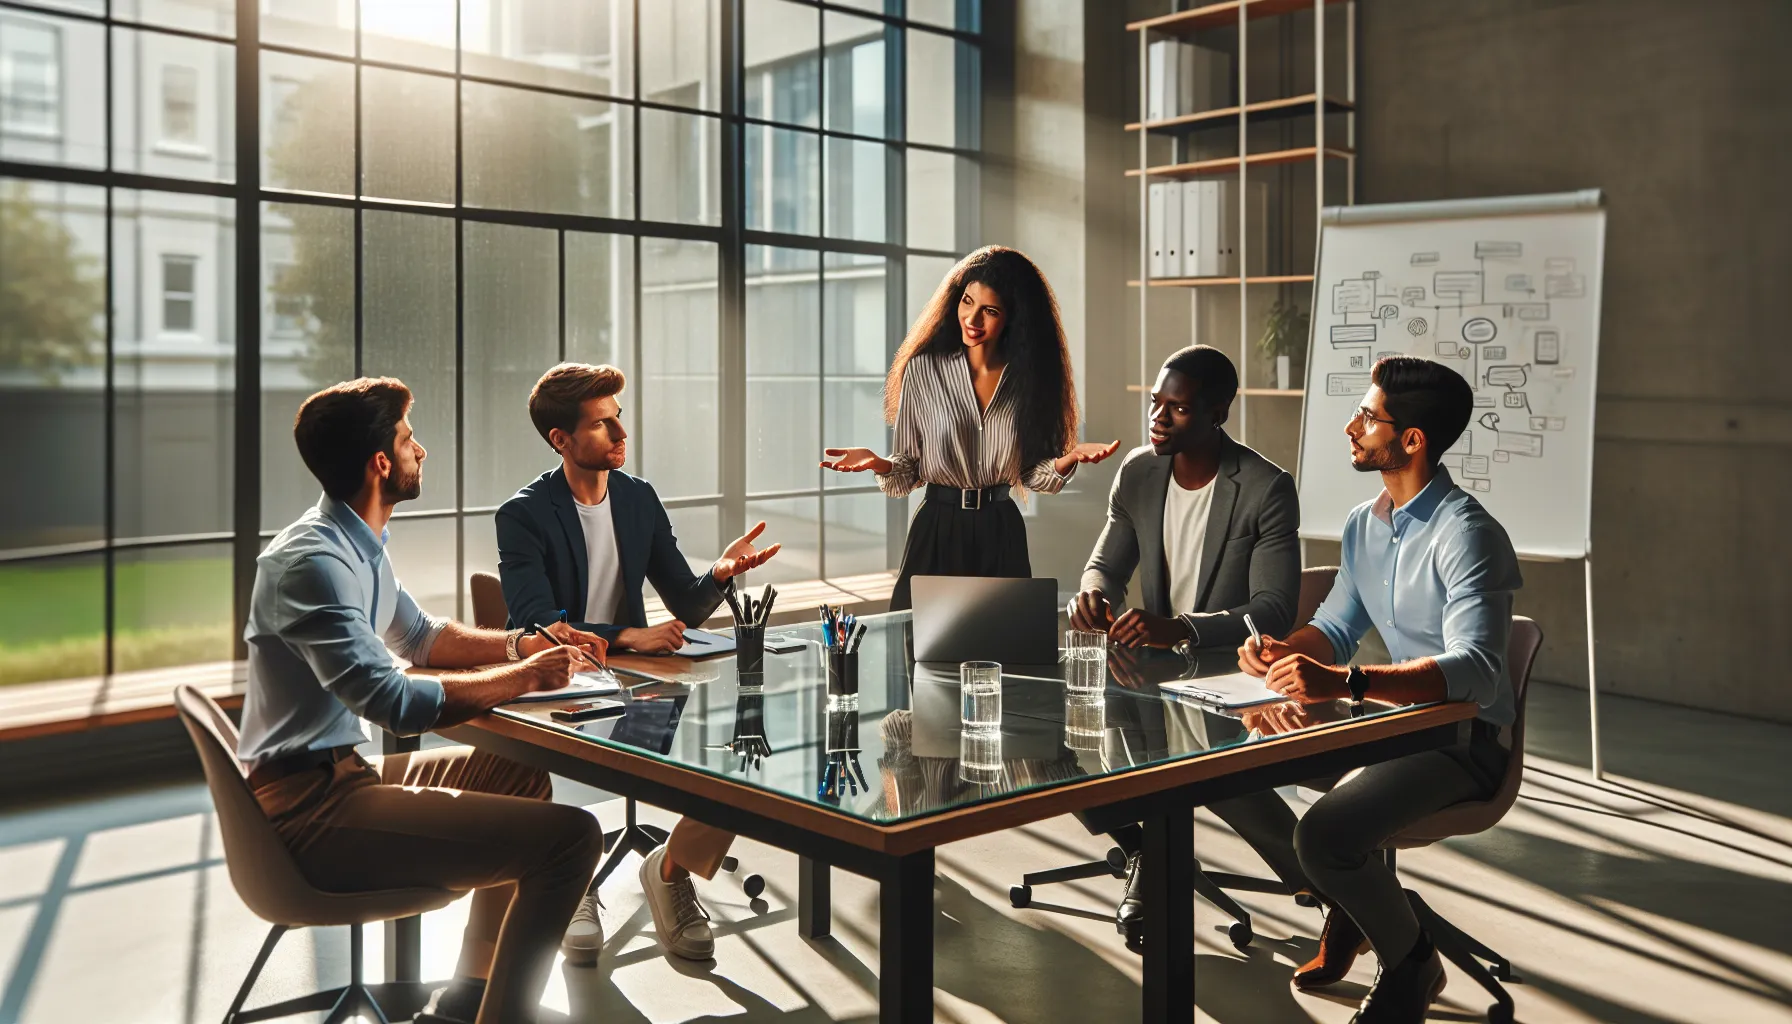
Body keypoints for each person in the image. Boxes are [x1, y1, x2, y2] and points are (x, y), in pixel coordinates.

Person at [239, 378, 609, 1024]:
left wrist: (525, 646)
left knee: (519, 773)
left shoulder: (358, 542)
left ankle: (466, 999)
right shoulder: (311, 564)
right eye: (410, 440)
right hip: (308, 815)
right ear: (381, 463)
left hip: (342, 779)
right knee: (575, 839)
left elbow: (422, 637)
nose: (422, 451)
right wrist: (525, 680)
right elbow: (391, 702)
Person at [1235, 355, 1522, 1024]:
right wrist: (1285, 650)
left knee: (1323, 837)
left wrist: (1346, 681)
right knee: (1232, 775)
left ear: (1412, 440)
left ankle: (1411, 960)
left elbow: (1478, 672)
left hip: (1464, 741)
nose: (1351, 427)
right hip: (1388, 726)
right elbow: (1335, 628)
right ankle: (1359, 903)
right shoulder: (1367, 523)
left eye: (1367, 417)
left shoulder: (1467, 534)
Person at [495, 362, 780, 963]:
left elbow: (686, 605)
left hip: (640, 686)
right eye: (602, 424)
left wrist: (720, 575)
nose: (620, 432)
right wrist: (630, 635)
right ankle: (571, 875)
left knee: (741, 753)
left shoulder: (638, 498)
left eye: (618, 417)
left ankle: (671, 870)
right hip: (561, 684)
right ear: (562, 440)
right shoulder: (522, 515)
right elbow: (535, 627)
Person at [1064, 344, 1303, 946]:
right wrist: (1091, 595)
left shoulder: (1266, 488)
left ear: (1218, 412)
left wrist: (1184, 627)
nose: (1159, 418)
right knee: (1059, 756)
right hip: (1142, 670)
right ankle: (1150, 852)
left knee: (1224, 783)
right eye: (1155, 403)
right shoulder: (1139, 472)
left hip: (1229, 673)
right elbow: (1105, 565)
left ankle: (1332, 885)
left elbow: (1274, 609)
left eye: (1180, 408)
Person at [819, 245, 1120, 609]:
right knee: (921, 647)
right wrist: (878, 462)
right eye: (967, 302)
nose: (972, 320)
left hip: (1001, 530)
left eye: (989, 311)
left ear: (1013, 318)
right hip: (936, 528)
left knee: (1006, 644)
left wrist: (1067, 459)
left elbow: (1031, 475)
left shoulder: (1029, 382)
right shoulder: (923, 370)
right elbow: (906, 473)